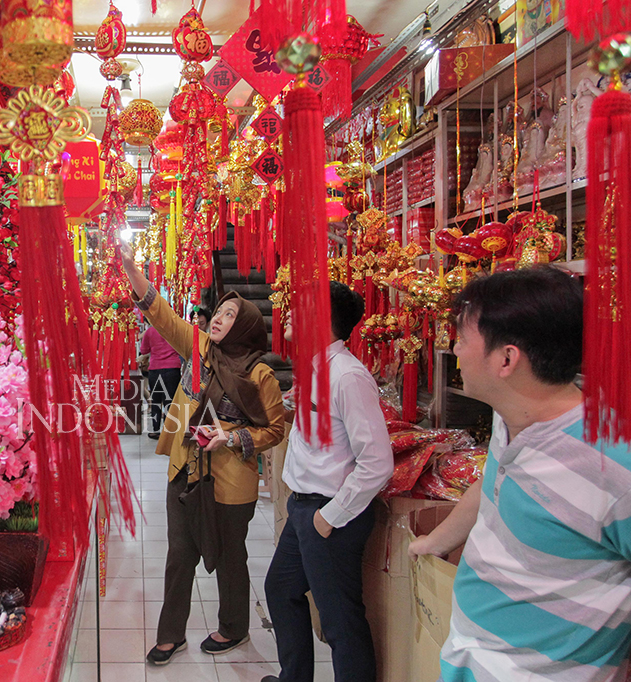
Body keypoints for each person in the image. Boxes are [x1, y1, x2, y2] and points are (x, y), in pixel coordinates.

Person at [408, 267, 631, 682]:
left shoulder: (612, 464)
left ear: (507, 359)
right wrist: (433, 542)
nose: (454, 350)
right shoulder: (510, 419)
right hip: (470, 658)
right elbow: (491, 486)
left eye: (462, 339)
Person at [119, 244, 285, 665]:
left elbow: (275, 429)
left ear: (245, 327)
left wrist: (229, 436)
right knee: (179, 555)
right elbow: (162, 315)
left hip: (231, 482)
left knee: (230, 558)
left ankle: (234, 627)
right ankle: (171, 634)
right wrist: (132, 269)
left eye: (230, 315)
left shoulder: (260, 374)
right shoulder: (199, 352)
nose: (220, 319)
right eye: (220, 312)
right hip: (186, 469)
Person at [264, 281, 393, 682]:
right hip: (303, 508)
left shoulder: (347, 376)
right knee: (280, 589)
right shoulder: (315, 368)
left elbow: (377, 462)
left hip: (330, 514)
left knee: (340, 620)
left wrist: (330, 517)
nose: (288, 312)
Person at [140, 326, 183, 439]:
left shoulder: (150, 331)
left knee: (156, 401)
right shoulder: (174, 329)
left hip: (155, 369)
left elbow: (144, 350)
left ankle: (155, 430)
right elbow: (182, 348)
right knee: (171, 402)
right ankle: (169, 432)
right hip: (173, 368)